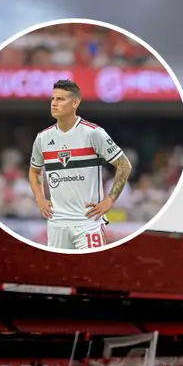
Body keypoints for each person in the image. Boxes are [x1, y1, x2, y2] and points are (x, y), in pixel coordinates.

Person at [28, 79, 133, 250]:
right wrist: (40, 199)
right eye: (53, 99)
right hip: (57, 223)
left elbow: (124, 165)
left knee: (90, 266)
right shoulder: (43, 138)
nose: (54, 103)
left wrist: (110, 200)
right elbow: (34, 171)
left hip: (88, 222)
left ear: (75, 103)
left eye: (60, 99)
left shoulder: (93, 133)